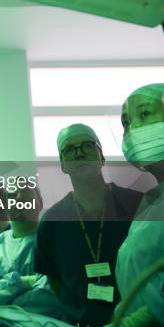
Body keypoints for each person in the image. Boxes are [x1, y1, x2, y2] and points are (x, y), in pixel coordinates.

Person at [34, 124, 143, 326]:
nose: (79, 153)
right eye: (69, 149)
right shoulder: (52, 222)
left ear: (102, 157)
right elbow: (54, 279)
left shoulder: (137, 205)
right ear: (63, 165)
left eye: (87, 145)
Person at [107, 83, 164, 326]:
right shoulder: (151, 200)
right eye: (126, 123)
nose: (132, 129)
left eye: (144, 114)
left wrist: (137, 321)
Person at [0, 185, 63, 318]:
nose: (19, 198)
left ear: (40, 202)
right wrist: (23, 282)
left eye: (26, 192)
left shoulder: (57, 242)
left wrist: (2, 294)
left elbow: (49, 296)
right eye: (12, 194)